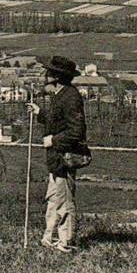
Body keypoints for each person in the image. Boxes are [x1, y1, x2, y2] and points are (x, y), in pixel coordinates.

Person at [28, 55, 87, 253]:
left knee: (64, 201)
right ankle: (49, 238)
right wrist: (40, 113)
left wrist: (52, 140)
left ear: (55, 78)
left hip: (65, 157)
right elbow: (57, 121)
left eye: (47, 73)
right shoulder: (61, 95)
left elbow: (76, 131)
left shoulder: (71, 97)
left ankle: (65, 243)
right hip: (57, 159)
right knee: (54, 198)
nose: (44, 77)